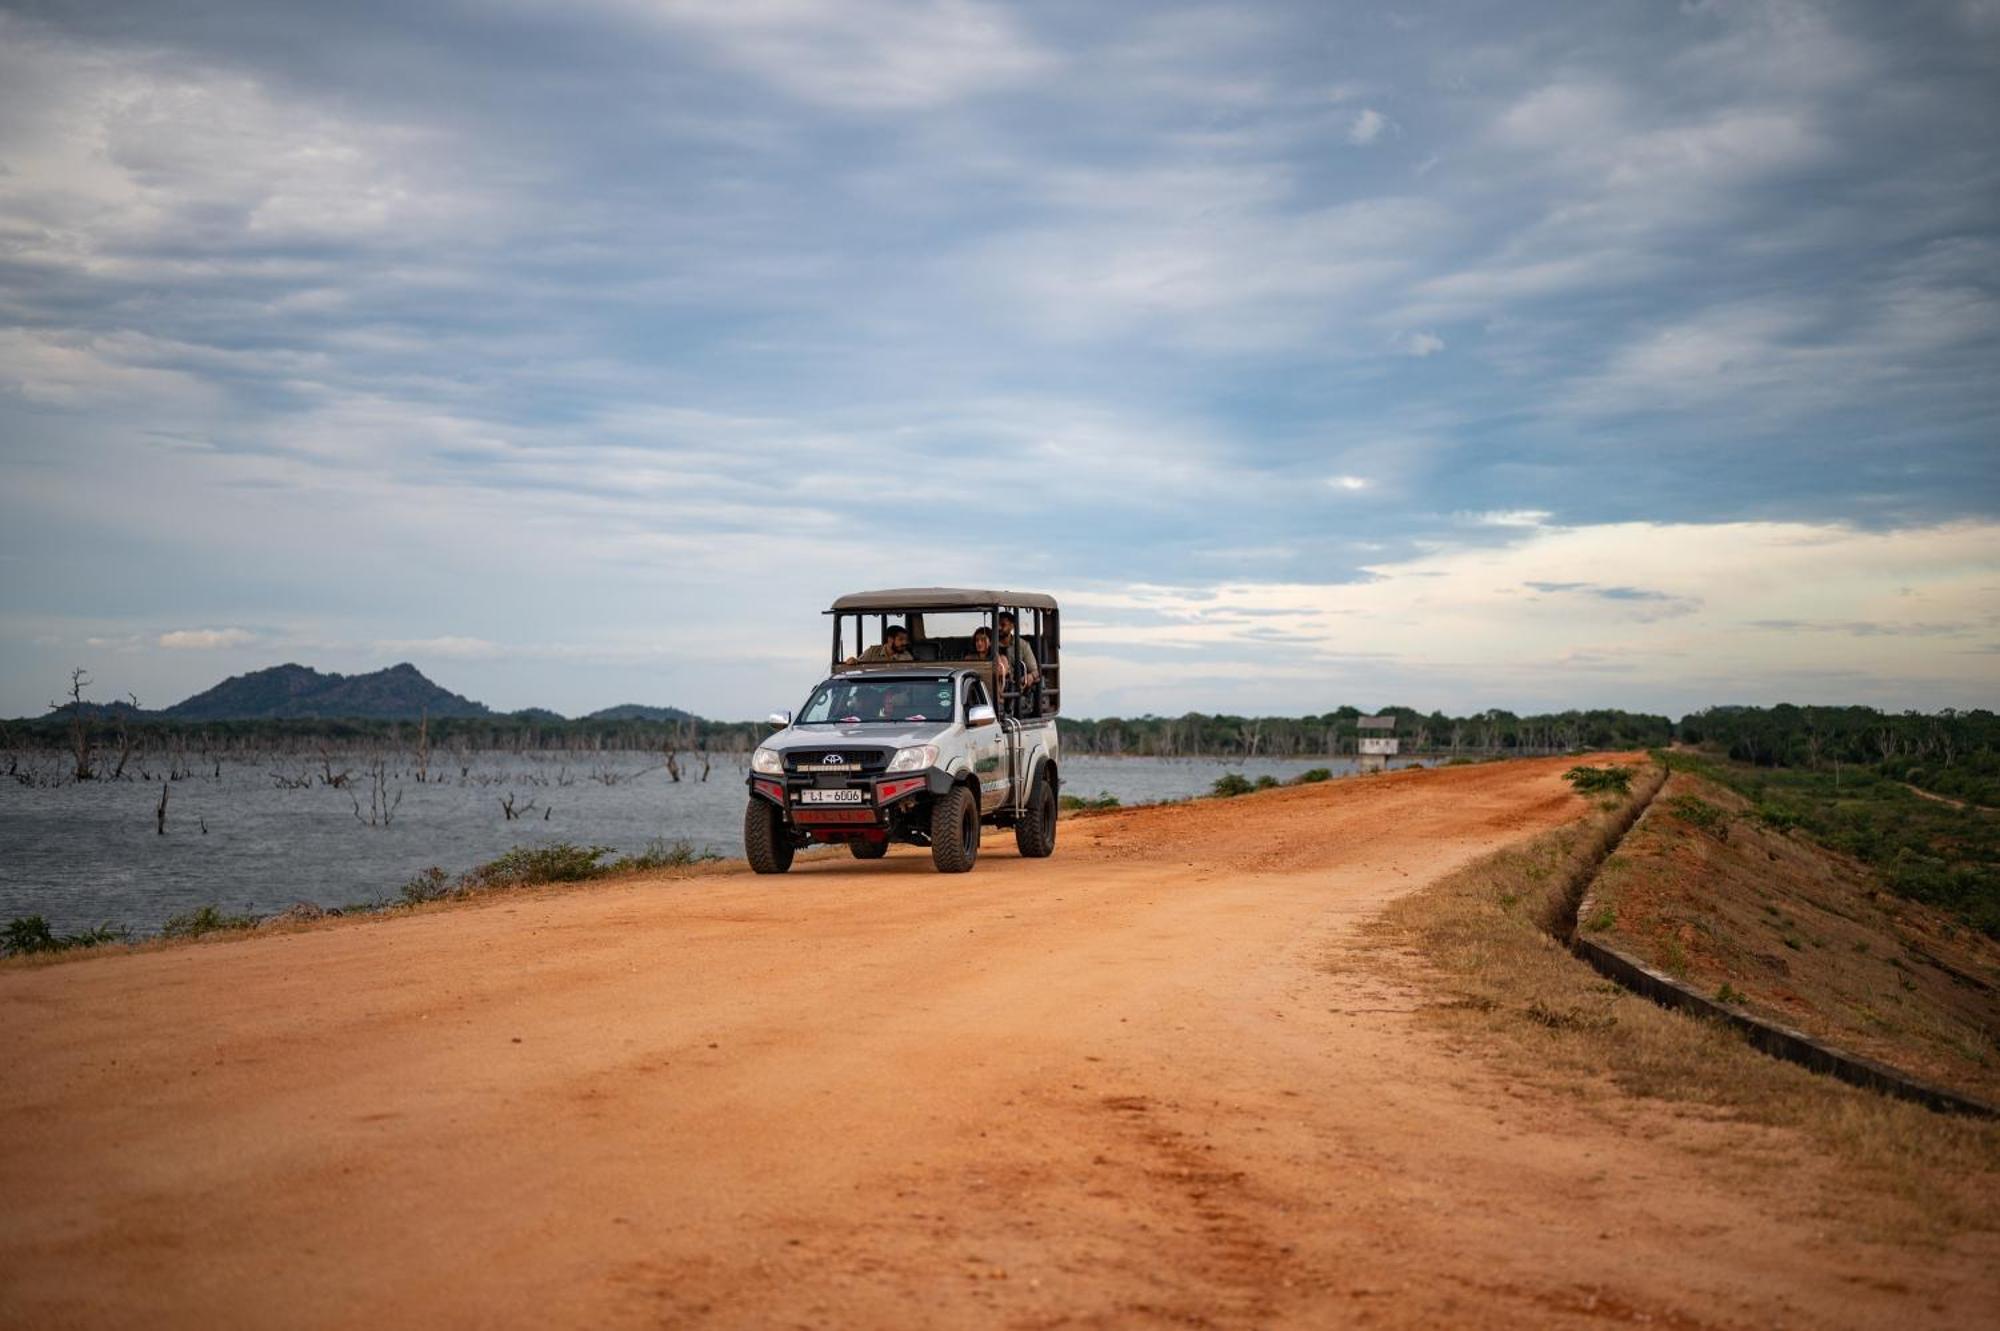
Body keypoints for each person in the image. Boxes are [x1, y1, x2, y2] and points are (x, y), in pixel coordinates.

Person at [995, 611, 1040, 707]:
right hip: (995, 685)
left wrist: (1030, 677)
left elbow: (1035, 671)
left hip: (1015, 688)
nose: (999, 628)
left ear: (1012, 626)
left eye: (1003, 625)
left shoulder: (1022, 645)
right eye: (996, 624)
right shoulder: (990, 644)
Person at [847, 624, 912, 665]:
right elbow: (858, 664)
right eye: (901, 639)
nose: (905, 643)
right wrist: (852, 661)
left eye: (906, 640)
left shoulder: (907, 657)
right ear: (890, 639)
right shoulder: (872, 651)